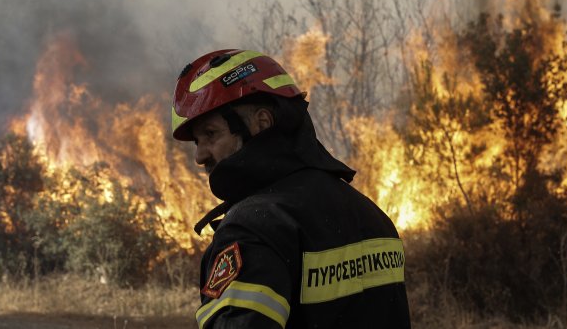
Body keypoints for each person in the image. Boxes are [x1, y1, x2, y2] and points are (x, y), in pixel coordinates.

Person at [171, 49, 411, 328]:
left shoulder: (254, 227)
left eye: (210, 134)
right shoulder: (372, 216)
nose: (199, 156)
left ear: (261, 123)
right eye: (197, 141)